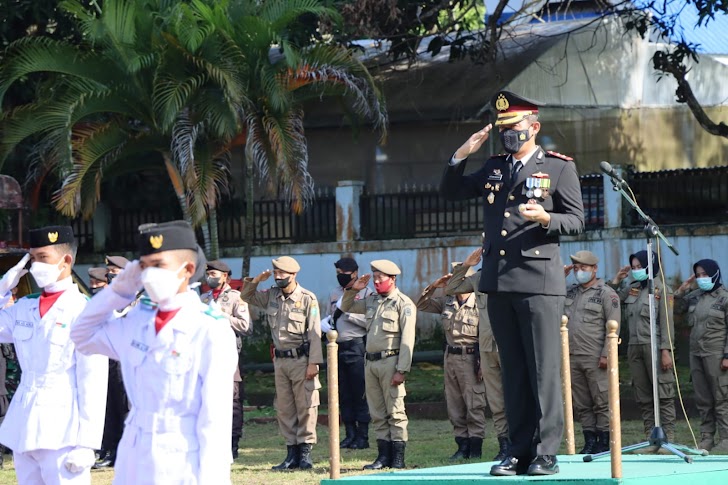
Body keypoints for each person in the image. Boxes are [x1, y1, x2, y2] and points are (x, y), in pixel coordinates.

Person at [440, 90, 584, 476]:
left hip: (538, 282)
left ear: (534, 127)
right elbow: (451, 192)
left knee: (542, 370)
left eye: (516, 127)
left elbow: (577, 220)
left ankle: (546, 452)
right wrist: (461, 154)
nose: (509, 135)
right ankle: (518, 451)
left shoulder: (558, 167)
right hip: (499, 282)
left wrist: (545, 219)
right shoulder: (494, 166)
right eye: (504, 129)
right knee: (514, 371)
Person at [71, 221, 238, 484]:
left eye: (159, 265)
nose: (149, 275)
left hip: (183, 456)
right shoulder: (137, 320)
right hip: (134, 452)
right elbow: (82, 335)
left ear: (188, 270)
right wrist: (117, 292)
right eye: (144, 266)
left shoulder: (210, 328)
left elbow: (215, 419)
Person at [0, 225, 109, 484]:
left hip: (64, 430)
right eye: (32, 259)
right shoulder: (24, 308)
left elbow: (92, 381)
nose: (36, 265)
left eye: (43, 258)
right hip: (23, 423)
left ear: (66, 260)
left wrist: (87, 443)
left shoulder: (84, 311)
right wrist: (4, 285)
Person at [241, 256, 322, 471]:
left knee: (305, 405)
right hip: (280, 361)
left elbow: (315, 332)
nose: (277, 277)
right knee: (285, 408)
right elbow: (246, 295)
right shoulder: (271, 296)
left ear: (293, 275)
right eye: (275, 273)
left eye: (281, 274)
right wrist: (257, 279)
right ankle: (291, 454)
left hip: (301, 360)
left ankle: (305, 454)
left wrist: (314, 362)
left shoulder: (307, 298)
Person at [340, 260, 417, 470]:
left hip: (391, 362)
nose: (375, 281)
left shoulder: (404, 304)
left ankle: (398, 457)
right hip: (371, 362)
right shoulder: (372, 301)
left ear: (392, 278)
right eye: (374, 277)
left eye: (380, 277)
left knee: (395, 411)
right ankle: (383, 456)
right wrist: (352, 289)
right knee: (377, 412)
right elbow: (346, 306)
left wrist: (402, 369)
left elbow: (407, 339)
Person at [446, 248, 510, 461]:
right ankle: (504, 445)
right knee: (496, 402)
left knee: (517, 398)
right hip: (487, 348)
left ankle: (524, 442)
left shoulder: (513, 273)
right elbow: (452, 287)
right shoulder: (478, 278)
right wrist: (465, 265)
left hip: (511, 347)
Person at [417, 264, 485, 460]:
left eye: (459, 278)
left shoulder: (480, 303)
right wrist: (434, 285)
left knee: (474, 403)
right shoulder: (447, 302)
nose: (454, 282)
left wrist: (482, 361)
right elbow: (421, 304)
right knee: (454, 404)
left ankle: (475, 446)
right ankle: (461, 445)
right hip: (450, 358)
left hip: (471, 357)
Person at [609, 250, 676, 445]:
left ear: (650, 266)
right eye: (634, 267)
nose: (636, 271)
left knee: (663, 392)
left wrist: (666, 350)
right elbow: (611, 300)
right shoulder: (633, 288)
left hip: (654, 346)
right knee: (643, 394)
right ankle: (650, 435)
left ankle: (668, 436)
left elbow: (667, 323)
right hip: (634, 347)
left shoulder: (662, 290)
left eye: (640, 267)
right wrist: (616, 280)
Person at [563, 250, 620, 454]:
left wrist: (607, 354)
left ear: (594, 269)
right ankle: (589, 440)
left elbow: (613, 325)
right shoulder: (570, 292)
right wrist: (562, 278)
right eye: (576, 269)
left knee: (601, 401)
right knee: (582, 403)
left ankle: (604, 441)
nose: (579, 272)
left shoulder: (606, 294)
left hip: (596, 357)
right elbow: (552, 305)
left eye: (583, 268)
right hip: (572, 356)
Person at [674, 259, 728, 452]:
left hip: (716, 353)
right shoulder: (694, 296)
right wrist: (682, 290)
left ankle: (725, 439)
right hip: (696, 353)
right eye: (698, 275)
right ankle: (706, 438)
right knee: (703, 398)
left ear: (715, 273)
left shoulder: (724, 297)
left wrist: (727, 355)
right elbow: (675, 309)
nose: (701, 278)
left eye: (705, 274)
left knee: (721, 397)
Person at [200, 260, 251, 459]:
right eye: (208, 274)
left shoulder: (236, 297)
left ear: (225, 277)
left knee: (232, 401)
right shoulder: (203, 298)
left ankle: (233, 443)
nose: (210, 277)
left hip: (228, 355)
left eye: (214, 274)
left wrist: (222, 316)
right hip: (206, 355)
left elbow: (246, 326)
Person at [320, 257, 372, 450]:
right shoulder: (335, 293)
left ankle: (363, 436)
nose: (340, 277)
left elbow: (370, 322)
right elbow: (330, 315)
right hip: (336, 347)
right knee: (342, 393)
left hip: (356, 346)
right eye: (338, 274)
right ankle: (349, 433)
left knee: (359, 392)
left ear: (355, 273)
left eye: (344, 273)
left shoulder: (367, 293)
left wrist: (348, 313)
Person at [93, 255, 133, 470]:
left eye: (114, 271)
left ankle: (124, 452)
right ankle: (109, 450)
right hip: (105, 356)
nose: (110, 274)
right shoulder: (107, 296)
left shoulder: (135, 296)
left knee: (124, 406)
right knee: (107, 406)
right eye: (109, 270)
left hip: (125, 358)